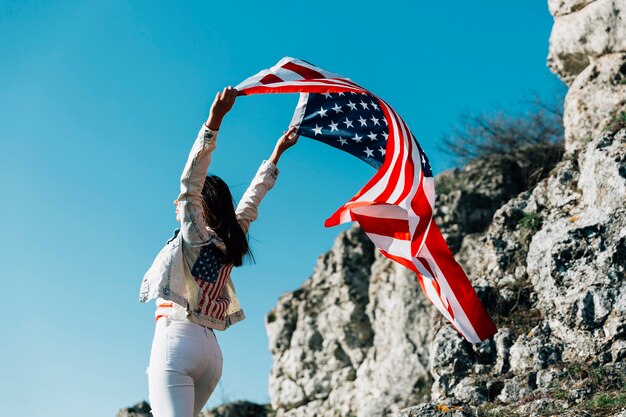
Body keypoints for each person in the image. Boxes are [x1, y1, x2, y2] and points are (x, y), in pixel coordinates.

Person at [139, 86, 299, 417]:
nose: (177, 203)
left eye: (186, 203)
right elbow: (253, 199)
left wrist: (215, 121)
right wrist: (276, 153)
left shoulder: (195, 234)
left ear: (202, 206)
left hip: (177, 340)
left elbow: (189, 182)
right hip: (210, 353)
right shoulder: (233, 238)